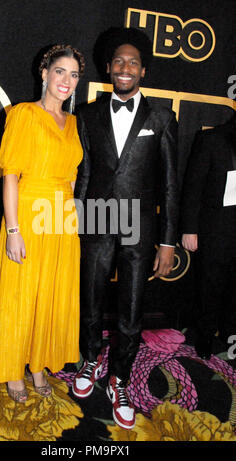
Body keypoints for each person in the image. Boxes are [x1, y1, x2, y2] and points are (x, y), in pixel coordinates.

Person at [72, 27, 179, 429]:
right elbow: (83, 176)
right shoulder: (88, 115)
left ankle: (120, 379)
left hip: (140, 226)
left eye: (133, 61)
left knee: (131, 310)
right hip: (97, 218)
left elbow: (170, 184)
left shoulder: (162, 118)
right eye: (119, 61)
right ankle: (89, 360)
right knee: (91, 298)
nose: (125, 67)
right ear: (108, 68)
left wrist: (168, 241)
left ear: (143, 70)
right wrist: (76, 224)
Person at [0, 44, 85, 402]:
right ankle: (12, 368)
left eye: (74, 74)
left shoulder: (74, 123)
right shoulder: (22, 114)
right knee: (20, 293)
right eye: (60, 71)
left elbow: (73, 178)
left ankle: (38, 363)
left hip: (61, 218)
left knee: (49, 296)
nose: (67, 80)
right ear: (44, 73)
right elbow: (10, 175)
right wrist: (13, 230)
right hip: (27, 212)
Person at [181, 115, 236, 360]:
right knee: (209, 286)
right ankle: (203, 339)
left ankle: (229, 334)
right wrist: (189, 229)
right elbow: (193, 187)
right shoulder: (212, 139)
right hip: (216, 228)